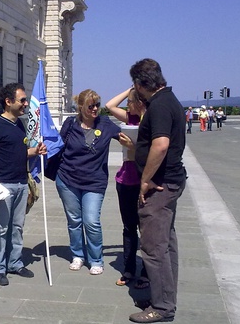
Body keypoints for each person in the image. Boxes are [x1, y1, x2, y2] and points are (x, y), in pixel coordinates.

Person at [129, 58, 187, 323]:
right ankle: (162, 295)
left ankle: (162, 307)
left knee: (153, 248)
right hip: (171, 182)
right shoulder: (168, 100)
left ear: (141, 84)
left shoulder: (160, 105)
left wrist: (146, 179)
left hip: (160, 185)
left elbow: (161, 145)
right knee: (166, 244)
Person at [0, 83, 47, 286]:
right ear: (8, 101)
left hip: (21, 184)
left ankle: (15, 263)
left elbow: (20, 152)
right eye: (22, 100)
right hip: (2, 185)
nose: (25, 104)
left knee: (17, 227)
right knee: (1, 229)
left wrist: (36, 151)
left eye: (26, 100)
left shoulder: (20, 125)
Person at [56, 89, 121, 275]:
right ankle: (77, 254)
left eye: (97, 105)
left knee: (91, 221)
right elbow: (58, 146)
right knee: (74, 220)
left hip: (94, 181)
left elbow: (127, 136)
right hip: (68, 179)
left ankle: (95, 259)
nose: (94, 109)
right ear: (81, 107)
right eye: (90, 106)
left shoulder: (106, 124)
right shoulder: (70, 124)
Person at [105, 87, 149, 290]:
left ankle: (147, 272)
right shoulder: (130, 118)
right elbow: (109, 105)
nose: (127, 105)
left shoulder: (151, 120)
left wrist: (133, 147)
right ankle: (129, 269)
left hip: (144, 179)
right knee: (129, 227)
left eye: (130, 101)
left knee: (146, 229)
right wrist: (130, 89)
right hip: (125, 179)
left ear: (140, 102)